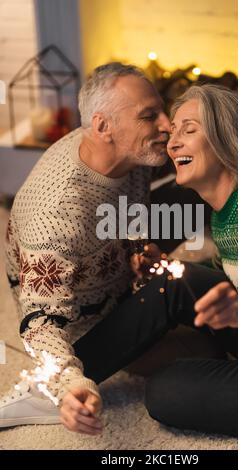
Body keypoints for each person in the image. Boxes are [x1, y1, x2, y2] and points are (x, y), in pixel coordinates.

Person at [0, 62, 170, 434]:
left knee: (199, 180)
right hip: (84, 327)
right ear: (102, 127)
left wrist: (137, 250)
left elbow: (131, 212)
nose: (167, 124)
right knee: (198, 342)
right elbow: (40, 323)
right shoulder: (57, 214)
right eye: (149, 116)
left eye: (163, 110)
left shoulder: (132, 152)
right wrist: (70, 386)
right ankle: (43, 391)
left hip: (116, 276)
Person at [144, 84, 238, 441]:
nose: (172, 143)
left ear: (228, 137)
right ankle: (71, 375)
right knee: (176, 279)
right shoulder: (228, 210)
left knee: (165, 389)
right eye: (174, 132)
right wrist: (166, 263)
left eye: (190, 129)